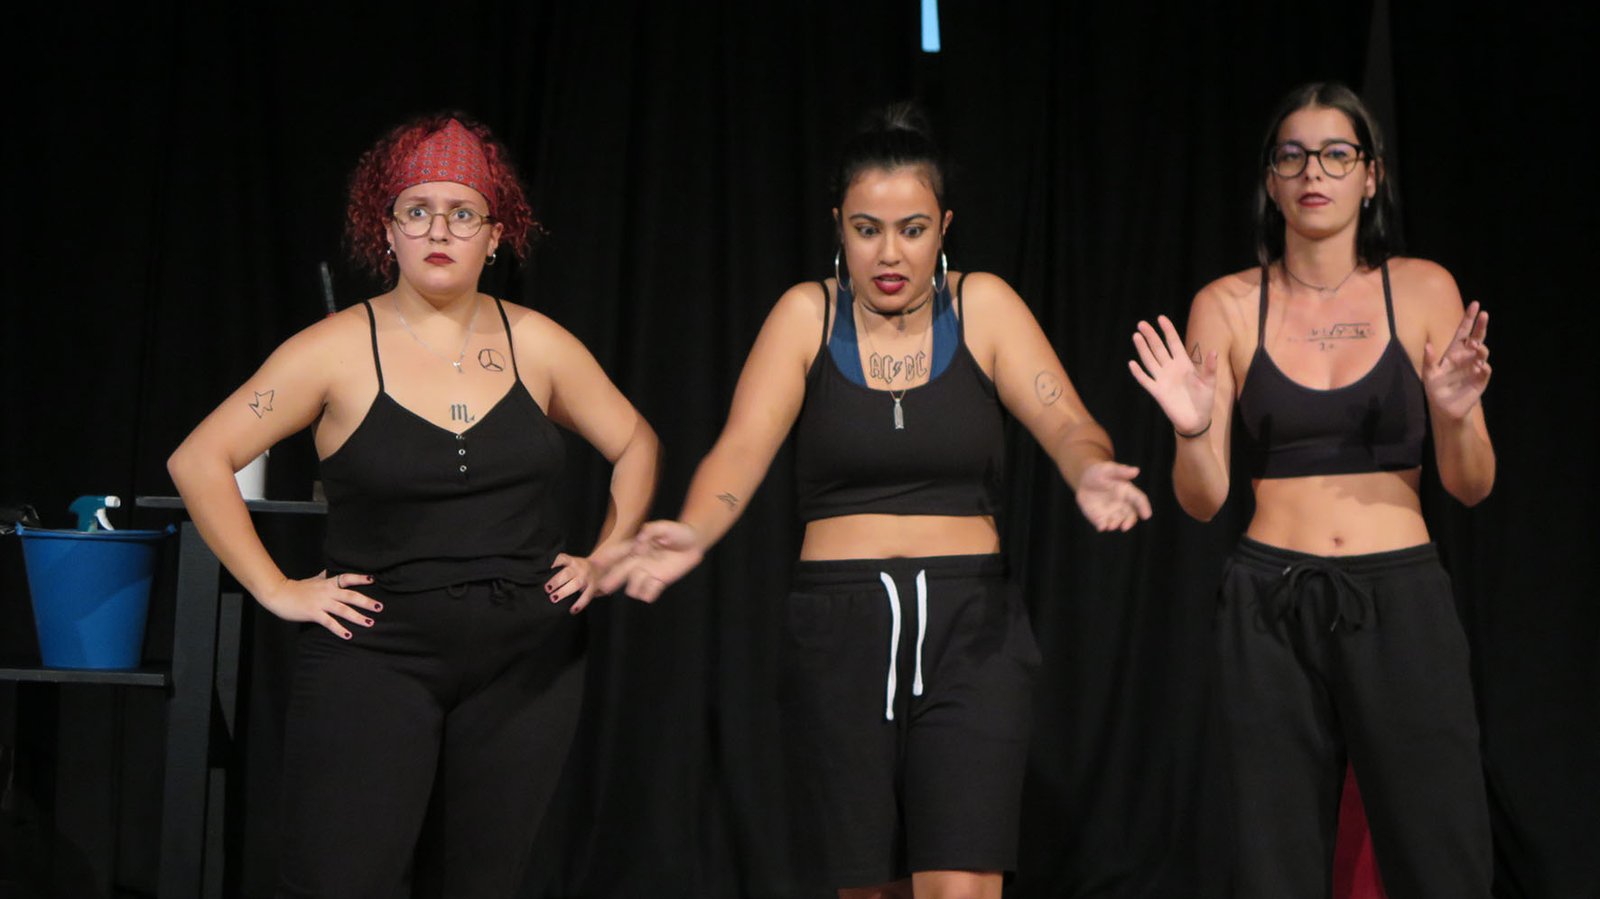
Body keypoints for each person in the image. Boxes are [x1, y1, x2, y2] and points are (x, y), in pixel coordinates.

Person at [599, 105, 1150, 899]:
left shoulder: (984, 305)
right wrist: (693, 527)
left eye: (912, 229)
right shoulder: (806, 315)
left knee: (959, 885)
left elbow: (1065, 421)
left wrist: (1088, 467)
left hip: (970, 627)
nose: (890, 253)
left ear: (944, 227)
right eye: (867, 229)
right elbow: (741, 449)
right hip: (840, 628)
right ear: (838, 226)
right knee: (865, 886)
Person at [167, 113, 659, 897]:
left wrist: (606, 557)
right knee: (339, 879)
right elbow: (199, 458)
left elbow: (636, 442)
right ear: (386, 228)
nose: (439, 230)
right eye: (417, 210)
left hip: (525, 663)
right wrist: (276, 587)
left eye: (463, 213)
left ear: (494, 236)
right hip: (377, 653)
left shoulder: (538, 343)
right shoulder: (332, 349)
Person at [1128, 81, 1494, 898]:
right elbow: (1203, 500)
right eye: (1291, 157)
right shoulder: (1226, 304)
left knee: (1442, 851)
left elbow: (1472, 486)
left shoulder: (1423, 288)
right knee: (1273, 861)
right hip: (1269, 603)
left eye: (1336, 154)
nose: (1312, 173)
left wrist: (1456, 417)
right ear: (1270, 180)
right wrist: (1191, 428)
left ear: (1371, 175)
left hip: (1400, 597)